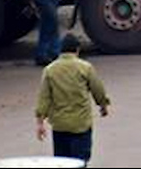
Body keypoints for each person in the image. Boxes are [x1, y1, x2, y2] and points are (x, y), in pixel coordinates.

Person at [35, 34, 111, 165]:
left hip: (59, 126)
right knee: (80, 162)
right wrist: (103, 105)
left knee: (62, 163)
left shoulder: (50, 70)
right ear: (77, 50)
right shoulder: (85, 68)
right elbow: (97, 90)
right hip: (80, 125)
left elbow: (44, 98)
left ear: (61, 50)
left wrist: (40, 123)